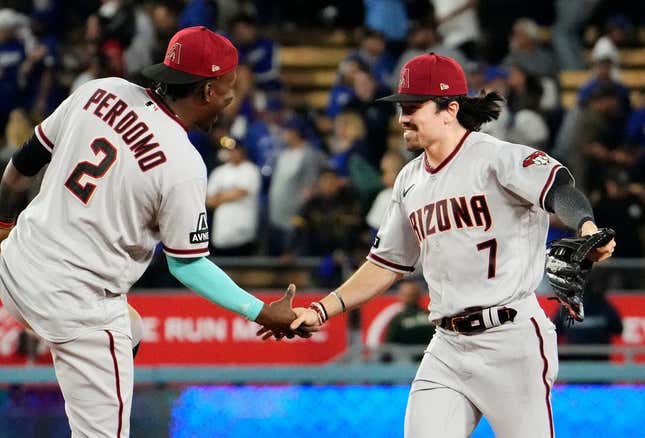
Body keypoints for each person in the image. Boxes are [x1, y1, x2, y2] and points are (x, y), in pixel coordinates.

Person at [276, 53, 617, 437]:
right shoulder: (408, 180)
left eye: (413, 106)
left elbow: (560, 189)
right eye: (401, 106)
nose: (403, 116)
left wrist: (587, 227)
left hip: (511, 339)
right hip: (447, 346)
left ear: (449, 109)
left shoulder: (496, 157)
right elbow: (384, 263)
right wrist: (321, 310)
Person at [0, 26, 303, 437]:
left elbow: (22, 163)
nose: (233, 97)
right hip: (79, 305)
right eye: (230, 87)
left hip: (17, 263)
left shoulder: (99, 91)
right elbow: (189, 266)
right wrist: (262, 311)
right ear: (209, 90)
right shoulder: (182, 163)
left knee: (134, 330)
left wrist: (3, 226)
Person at [206, 139, 261, 256]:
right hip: (221, 232)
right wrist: (229, 195)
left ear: (243, 151)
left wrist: (219, 197)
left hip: (243, 232)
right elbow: (208, 201)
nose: (232, 153)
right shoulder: (219, 171)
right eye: (230, 150)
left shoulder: (251, 170)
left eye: (236, 150)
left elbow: (241, 192)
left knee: (242, 271)